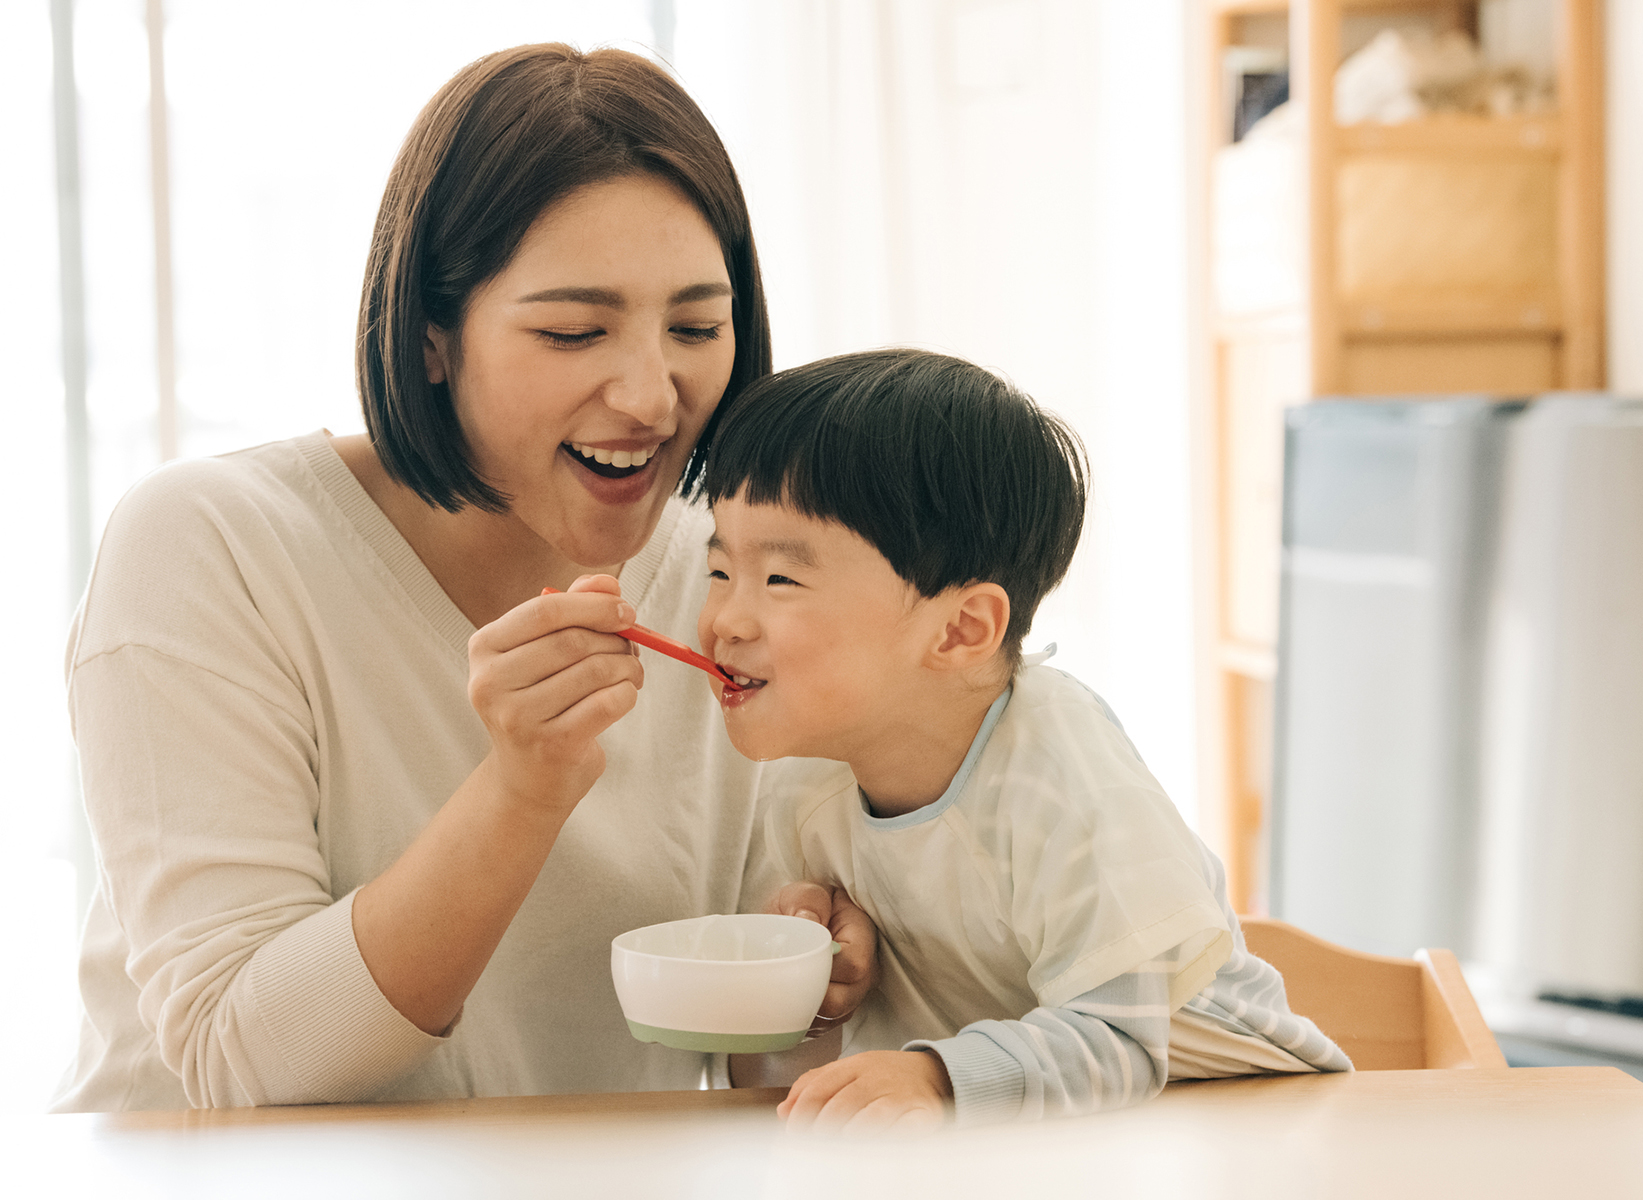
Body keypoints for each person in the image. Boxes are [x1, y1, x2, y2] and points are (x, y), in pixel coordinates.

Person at [53, 44, 873, 1112]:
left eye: (696, 328)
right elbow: (238, 1059)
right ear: (433, 336)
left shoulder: (734, 578)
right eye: (574, 329)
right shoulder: (210, 546)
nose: (650, 395)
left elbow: (758, 1077)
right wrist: (522, 791)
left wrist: (817, 978)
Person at [696, 349, 1351, 1132]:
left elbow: (1120, 1044)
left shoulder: (1061, 774)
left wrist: (935, 1078)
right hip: (1050, 1134)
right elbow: (789, 1087)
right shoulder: (808, 784)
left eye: (780, 581)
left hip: (1253, 1120)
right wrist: (812, 998)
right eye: (718, 571)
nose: (725, 620)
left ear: (962, 629)